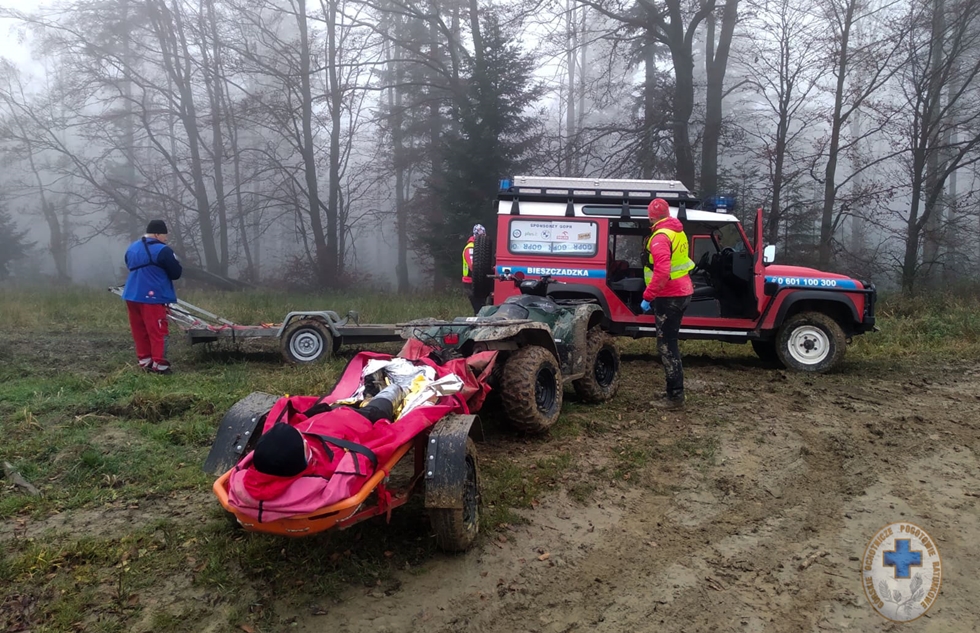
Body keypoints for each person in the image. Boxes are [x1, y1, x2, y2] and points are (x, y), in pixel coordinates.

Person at [640, 198, 695, 409]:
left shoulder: (659, 237)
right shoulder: (677, 231)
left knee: (667, 346)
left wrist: (647, 296)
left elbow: (662, 272)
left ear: (652, 217)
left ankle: (675, 397)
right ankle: (674, 391)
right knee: (670, 342)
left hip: (669, 296)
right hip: (683, 291)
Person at [121, 219, 182, 374]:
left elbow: (129, 265)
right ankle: (160, 365)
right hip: (152, 297)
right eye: (164, 236)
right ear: (156, 234)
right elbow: (176, 273)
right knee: (158, 330)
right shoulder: (163, 250)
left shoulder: (132, 248)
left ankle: (145, 361)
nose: (165, 239)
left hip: (132, 295)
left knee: (139, 329)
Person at [462, 224, 487, 315]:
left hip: (477, 282)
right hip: (470, 282)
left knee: (482, 307)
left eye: (483, 235)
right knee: (479, 308)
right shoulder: (470, 248)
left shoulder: (479, 248)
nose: (483, 238)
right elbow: (473, 266)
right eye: (481, 236)